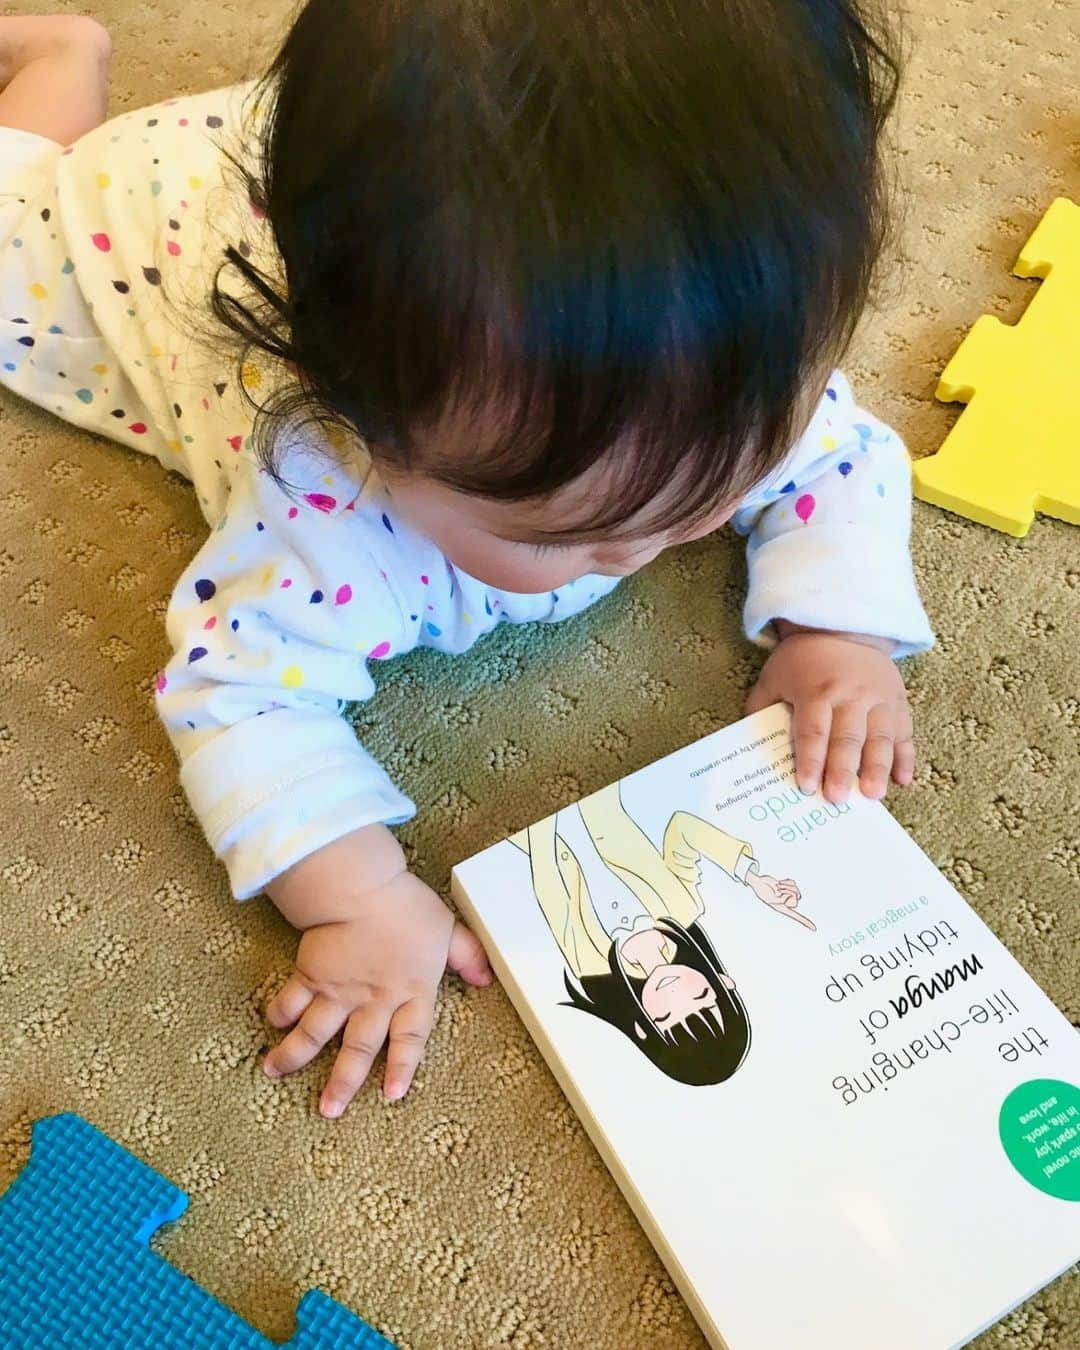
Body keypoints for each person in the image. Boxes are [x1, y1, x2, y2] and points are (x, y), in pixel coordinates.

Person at [0, 1, 933, 1117]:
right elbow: (235, 692)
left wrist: (839, 628)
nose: (646, 547)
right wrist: (357, 897)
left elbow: (844, 455)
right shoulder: (325, 497)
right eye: (569, 533)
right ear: (380, 439)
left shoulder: (733, 362)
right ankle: (60, 60)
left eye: (713, 487)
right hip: (121, 230)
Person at [511, 784, 812, 1085]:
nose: (674, 993)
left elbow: (549, 889)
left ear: (643, 1027)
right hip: (597, 787)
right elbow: (682, 829)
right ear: (723, 982)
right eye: (701, 997)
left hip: (531, 826)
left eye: (666, 1017)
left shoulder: (589, 962)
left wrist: (536, 827)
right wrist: (751, 876)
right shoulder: (682, 907)